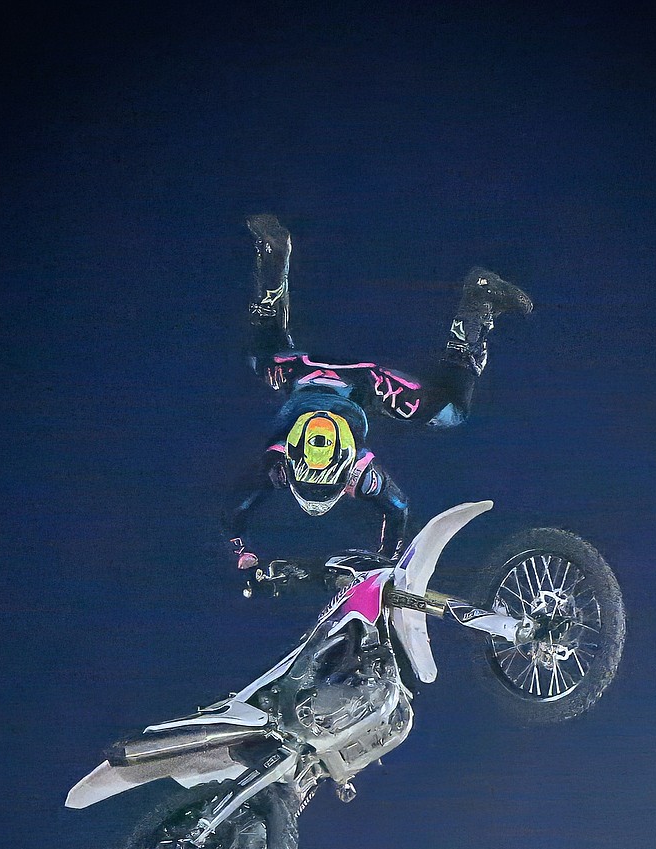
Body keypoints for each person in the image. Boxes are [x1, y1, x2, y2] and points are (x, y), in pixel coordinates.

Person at [222, 214, 532, 578]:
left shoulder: (348, 470)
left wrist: (384, 565)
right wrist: (239, 548)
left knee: (452, 412)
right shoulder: (280, 464)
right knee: (262, 356)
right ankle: (274, 254)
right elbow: (235, 511)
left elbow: (398, 507)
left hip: (366, 386)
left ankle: (479, 299)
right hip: (301, 372)